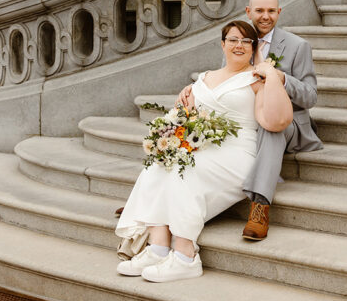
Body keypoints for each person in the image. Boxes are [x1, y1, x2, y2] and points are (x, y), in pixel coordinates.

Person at [115, 20, 292, 283]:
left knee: (186, 170)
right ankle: (158, 247)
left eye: (246, 41)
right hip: (203, 147)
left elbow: (275, 121)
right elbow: (188, 116)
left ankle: (186, 256)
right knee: (158, 164)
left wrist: (272, 75)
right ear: (223, 44)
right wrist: (180, 112)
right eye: (233, 40)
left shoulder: (256, 79)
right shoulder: (204, 78)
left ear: (254, 48)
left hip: (237, 153)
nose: (239, 45)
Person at [177, 0, 321, 241]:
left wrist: (282, 78)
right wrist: (194, 92)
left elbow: (310, 96)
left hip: (286, 122)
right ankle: (168, 200)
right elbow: (225, 83)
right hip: (245, 120)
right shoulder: (238, 40)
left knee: (270, 128)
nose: (265, 16)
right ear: (248, 12)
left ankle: (260, 206)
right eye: (259, 11)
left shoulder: (298, 46)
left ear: (279, 12)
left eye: (270, 11)